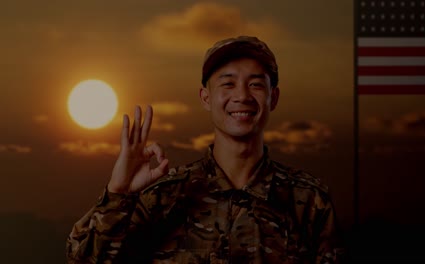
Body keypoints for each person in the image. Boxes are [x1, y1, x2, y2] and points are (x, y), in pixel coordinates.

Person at [66, 36, 343, 263]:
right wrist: (118, 193)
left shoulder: (309, 200)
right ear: (206, 97)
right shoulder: (163, 198)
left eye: (256, 84)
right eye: (228, 83)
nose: (243, 96)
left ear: (274, 98)